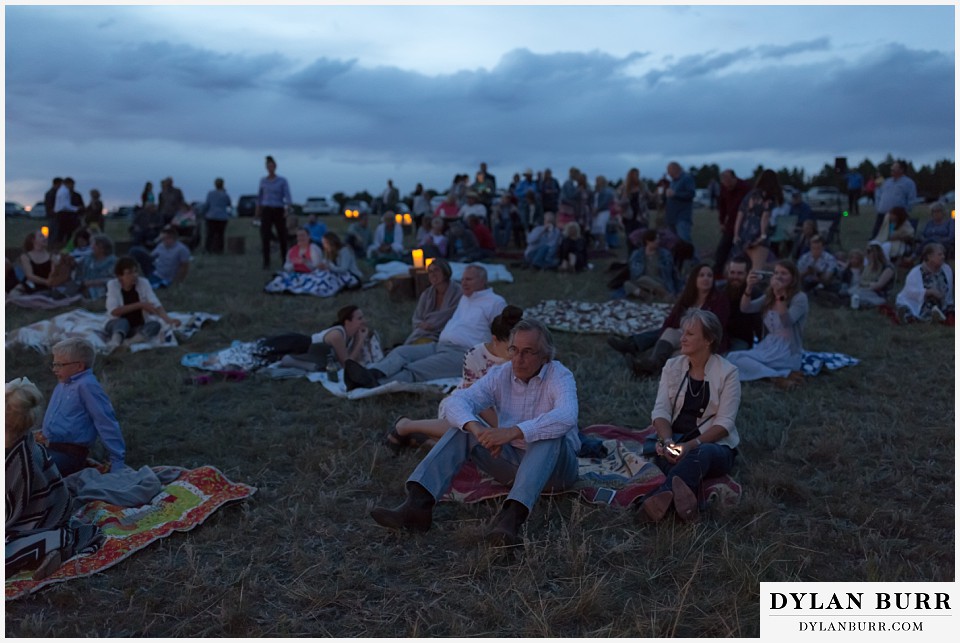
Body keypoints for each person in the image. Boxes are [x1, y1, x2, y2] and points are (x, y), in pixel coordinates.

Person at [370, 318, 579, 546]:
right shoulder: (502, 374)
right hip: (511, 463)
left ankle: (510, 521)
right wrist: (477, 429)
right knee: (462, 424)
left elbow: (567, 416)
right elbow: (455, 401)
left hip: (556, 470)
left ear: (545, 356)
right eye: (514, 350)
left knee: (548, 435)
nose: (518, 359)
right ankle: (416, 506)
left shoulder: (559, 375)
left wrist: (512, 432)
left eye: (528, 352)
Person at [638, 309, 741, 522]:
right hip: (675, 442)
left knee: (702, 454)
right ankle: (685, 503)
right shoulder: (672, 366)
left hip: (712, 447)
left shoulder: (728, 372)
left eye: (690, 334)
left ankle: (655, 500)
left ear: (709, 339)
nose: (682, 338)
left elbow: (724, 423)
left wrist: (691, 446)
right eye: (683, 332)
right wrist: (667, 441)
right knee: (668, 457)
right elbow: (661, 410)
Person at [387, 305, 524, 452]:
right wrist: (504, 431)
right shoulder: (475, 355)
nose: (515, 354)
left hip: (503, 414)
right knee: (468, 427)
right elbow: (476, 401)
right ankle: (406, 425)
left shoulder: (520, 359)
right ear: (495, 340)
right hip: (471, 407)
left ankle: (428, 442)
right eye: (510, 348)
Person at [344, 265, 506, 388]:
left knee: (413, 369)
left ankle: (375, 383)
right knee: (401, 352)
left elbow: (501, 336)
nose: (463, 282)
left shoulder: (495, 302)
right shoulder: (466, 297)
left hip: (464, 354)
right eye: (462, 279)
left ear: (483, 281)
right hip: (440, 346)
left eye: (469, 279)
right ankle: (371, 373)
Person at [6, 377, 102, 580]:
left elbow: (10, 509)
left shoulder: (20, 459)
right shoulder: (17, 439)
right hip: (29, 511)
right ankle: (43, 552)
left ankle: (57, 543)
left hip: (38, 518)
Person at [612, 263, 730, 377]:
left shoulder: (719, 300)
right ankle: (650, 366)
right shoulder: (688, 298)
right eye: (701, 275)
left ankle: (647, 369)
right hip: (683, 338)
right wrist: (660, 340)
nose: (706, 278)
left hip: (704, 341)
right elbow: (670, 320)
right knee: (668, 332)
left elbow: (715, 328)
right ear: (694, 278)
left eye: (709, 275)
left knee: (675, 357)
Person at [40, 338, 129, 476]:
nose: (54, 369)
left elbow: (106, 422)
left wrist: (117, 460)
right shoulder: (62, 384)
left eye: (59, 365)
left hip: (70, 455)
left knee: (34, 469)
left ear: (79, 366)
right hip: (50, 448)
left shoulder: (87, 386)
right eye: (54, 364)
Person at [725, 260, 809, 382]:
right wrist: (749, 287)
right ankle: (779, 375)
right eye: (776, 273)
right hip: (768, 346)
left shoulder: (800, 298)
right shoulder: (770, 295)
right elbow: (746, 308)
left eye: (784, 273)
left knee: (737, 362)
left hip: (787, 351)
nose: (779, 276)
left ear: (793, 278)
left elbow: (786, 322)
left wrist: (780, 295)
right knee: (732, 357)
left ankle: (776, 374)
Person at [104, 256, 182, 351]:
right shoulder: (113, 285)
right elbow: (114, 311)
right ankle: (114, 343)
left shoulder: (143, 283)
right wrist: (140, 304)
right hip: (117, 325)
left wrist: (169, 320)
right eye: (129, 273)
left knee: (155, 325)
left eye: (135, 271)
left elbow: (156, 304)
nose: (134, 275)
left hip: (137, 327)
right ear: (120, 276)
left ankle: (127, 344)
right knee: (123, 322)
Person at [733, 169, 783, 271]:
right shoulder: (769, 197)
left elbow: (740, 215)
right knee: (756, 270)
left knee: (744, 268)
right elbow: (765, 217)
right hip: (758, 237)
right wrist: (763, 236)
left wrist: (736, 235)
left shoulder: (750, 195)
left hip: (745, 236)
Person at [404, 258, 462, 345]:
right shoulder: (427, 294)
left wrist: (432, 325)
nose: (433, 274)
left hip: (448, 334)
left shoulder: (458, 292)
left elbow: (454, 317)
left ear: (445, 273)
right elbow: (416, 318)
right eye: (430, 272)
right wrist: (422, 325)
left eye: (436, 270)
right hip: (424, 332)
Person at [895, 243, 953, 323]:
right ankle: (907, 316)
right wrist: (929, 292)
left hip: (940, 302)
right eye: (939, 254)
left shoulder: (946, 270)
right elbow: (910, 292)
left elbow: (948, 293)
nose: (943, 257)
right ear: (929, 256)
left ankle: (936, 315)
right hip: (920, 302)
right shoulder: (916, 272)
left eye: (943, 254)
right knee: (909, 308)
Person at [255, 156, 293, 269]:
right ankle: (266, 262)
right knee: (265, 235)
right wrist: (257, 212)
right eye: (268, 166)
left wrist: (287, 209)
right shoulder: (263, 181)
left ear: (275, 167)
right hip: (266, 209)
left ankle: (284, 260)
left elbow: (288, 196)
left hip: (278, 209)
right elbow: (260, 197)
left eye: (272, 166)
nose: (270, 168)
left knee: (282, 235)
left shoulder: (282, 181)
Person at [712, 170, 752, 274]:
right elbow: (722, 206)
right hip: (730, 224)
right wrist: (721, 222)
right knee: (722, 249)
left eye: (729, 183)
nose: (728, 186)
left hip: (745, 224)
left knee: (742, 250)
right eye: (725, 184)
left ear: (734, 178)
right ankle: (717, 272)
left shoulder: (746, 188)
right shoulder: (724, 189)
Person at [720, 256, 763, 351]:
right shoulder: (720, 290)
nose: (735, 277)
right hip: (719, 338)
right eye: (732, 272)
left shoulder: (755, 294)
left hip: (741, 339)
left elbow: (759, 324)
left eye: (740, 273)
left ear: (748, 274)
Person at [624, 229, 681, 301]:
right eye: (656, 239)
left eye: (658, 239)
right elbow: (635, 274)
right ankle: (646, 295)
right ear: (648, 241)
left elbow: (674, 273)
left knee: (643, 279)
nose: (658, 241)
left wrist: (678, 289)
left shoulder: (665, 254)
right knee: (627, 284)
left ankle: (665, 294)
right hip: (644, 283)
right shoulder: (638, 254)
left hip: (660, 281)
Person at [871, 161, 917, 239]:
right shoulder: (887, 182)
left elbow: (911, 199)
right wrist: (878, 207)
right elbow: (879, 195)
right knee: (876, 236)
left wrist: (904, 212)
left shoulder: (908, 183)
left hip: (896, 217)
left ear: (901, 170)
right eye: (892, 167)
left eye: (894, 167)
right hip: (882, 214)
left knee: (891, 237)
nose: (891, 169)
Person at [846, 242, 895, 308]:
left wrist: (867, 285)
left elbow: (878, 285)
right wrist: (867, 284)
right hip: (866, 288)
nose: (866, 254)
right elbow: (862, 280)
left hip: (879, 294)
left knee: (857, 295)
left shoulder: (888, 268)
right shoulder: (869, 264)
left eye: (869, 251)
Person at [13, 230, 60, 296]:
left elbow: (53, 274)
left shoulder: (52, 256)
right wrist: (45, 282)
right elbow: (30, 276)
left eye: (45, 236)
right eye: (41, 236)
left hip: (46, 287)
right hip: (31, 285)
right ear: (33, 240)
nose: (45, 238)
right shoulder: (26, 256)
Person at [75, 234, 117, 300]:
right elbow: (79, 273)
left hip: (103, 290)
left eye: (94, 245)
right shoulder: (87, 259)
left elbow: (114, 279)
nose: (91, 247)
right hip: (84, 287)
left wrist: (92, 283)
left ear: (102, 248)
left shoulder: (112, 262)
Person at [618, 167, 649, 254]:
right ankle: (631, 258)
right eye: (635, 175)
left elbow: (649, 198)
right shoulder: (623, 187)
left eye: (638, 174)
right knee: (630, 238)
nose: (637, 177)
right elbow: (618, 201)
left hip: (641, 215)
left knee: (642, 237)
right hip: (629, 216)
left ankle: (641, 256)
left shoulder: (643, 186)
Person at [664, 161, 696, 244]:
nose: (668, 173)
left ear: (675, 169)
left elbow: (691, 194)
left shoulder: (686, 178)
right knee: (674, 242)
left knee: (684, 241)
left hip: (682, 217)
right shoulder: (673, 182)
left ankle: (692, 257)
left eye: (669, 170)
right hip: (672, 217)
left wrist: (675, 194)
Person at [203, 177, 232, 254]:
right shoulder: (225, 194)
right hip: (222, 217)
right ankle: (220, 249)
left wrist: (204, 213)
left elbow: (207, 205)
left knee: (210, 234)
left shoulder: (210, 193)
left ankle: (208, 249)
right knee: (220, 234)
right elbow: (229, 204)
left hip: (211, 216)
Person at [54, 177, 81, 246]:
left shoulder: (60, 190)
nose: (73, 187)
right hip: (64, 214)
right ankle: (64, 245)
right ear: (69, 184)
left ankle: (60, 245)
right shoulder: (65, 191)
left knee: (61, 232)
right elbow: (65, 206)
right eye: (72, 185)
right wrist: (76, 209)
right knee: (66, 232)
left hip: (60, 214)